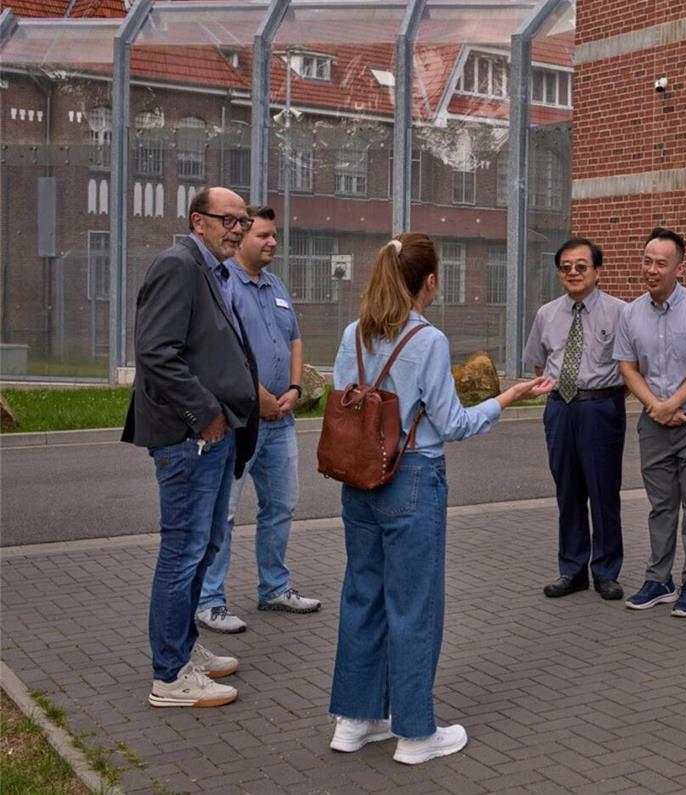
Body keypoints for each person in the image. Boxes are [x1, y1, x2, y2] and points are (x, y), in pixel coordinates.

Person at [327, 233, 553, 764]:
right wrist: (507, 398)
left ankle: (354, 722)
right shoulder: (427, 340)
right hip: (411, 479)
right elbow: (452, 423)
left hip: (358, 481)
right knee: (414, 608)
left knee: (363, 598)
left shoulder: (352, 335)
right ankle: (415, 733)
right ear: (429, 281)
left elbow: (345, 403)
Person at [122, 187, 259, 709]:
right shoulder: (179, 266)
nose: (238, 229)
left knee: (201, 548)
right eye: (229, 220)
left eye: (243, 221)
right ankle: (169, 676)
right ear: (197, 221)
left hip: (211, 437)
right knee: (182, 552)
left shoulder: (212, 270)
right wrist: (206, 415)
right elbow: (156, 352)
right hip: (190, 439)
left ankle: (184, 648)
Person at [195, 205, 319, 635]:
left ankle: (275, 588)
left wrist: (294, 389)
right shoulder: (224, 286)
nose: (271, 243)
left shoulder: (276, 285)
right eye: (263, 235)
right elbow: (224, 353)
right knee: (223, 514)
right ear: (243, 236)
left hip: (281, 421)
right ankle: (210, 601)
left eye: (273, 235)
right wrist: (258, 397)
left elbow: (295, 339)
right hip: (239, 423)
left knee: (281, 504)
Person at [614, 227, 686, 617]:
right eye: (647, 261)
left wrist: (674, 403)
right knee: (661, 504)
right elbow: (627, 367)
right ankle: (658, 578)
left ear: (680, 266)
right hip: (653, 421)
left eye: (661, 263)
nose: (651, 269)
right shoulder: (630, 313)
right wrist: (655, 407)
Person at [524, 238, 627, 601]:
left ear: (598, 272)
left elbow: (633, 367)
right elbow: (540, 361)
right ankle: (572, 570)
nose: (573, 272)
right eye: (566, 267)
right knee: (567, 490)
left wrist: (606, 398)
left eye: (581, 266)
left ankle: (606, 570)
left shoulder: (620, 313)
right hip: (560, 407)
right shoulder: (546, 314)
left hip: (601, 408)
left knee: (602, 491)